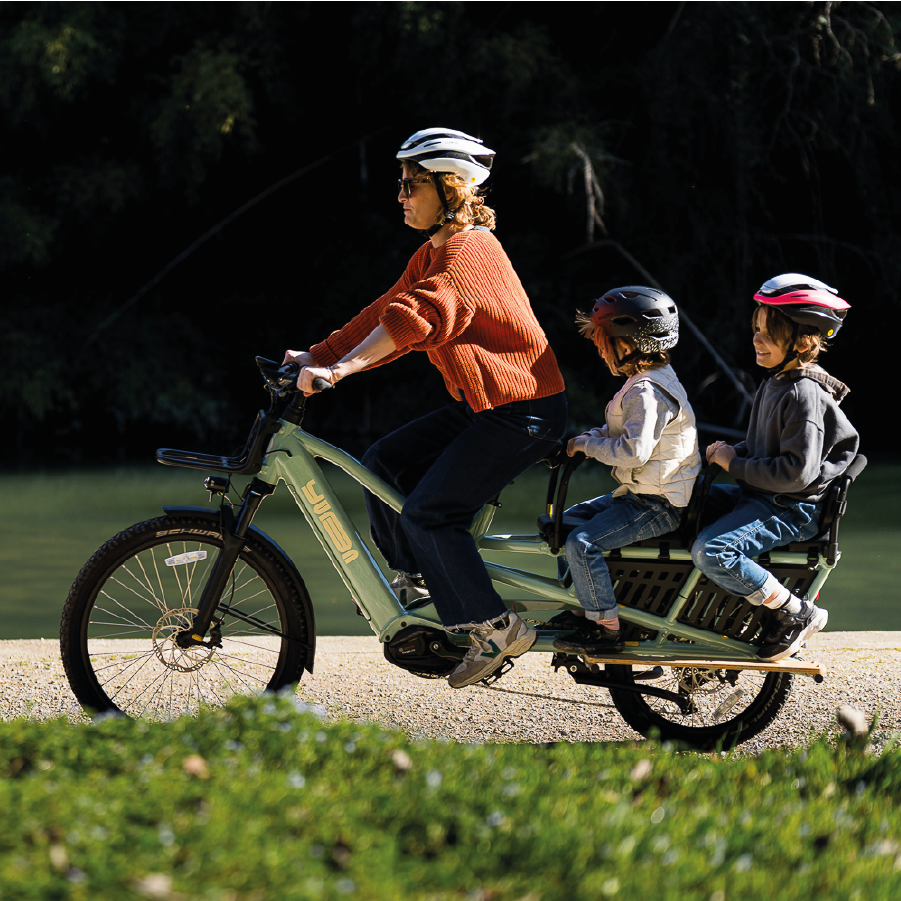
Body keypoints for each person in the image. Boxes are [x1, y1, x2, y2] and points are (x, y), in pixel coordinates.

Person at [283, 127, 567, 688]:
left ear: (453, 188)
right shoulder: (435, 250)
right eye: (402, 182)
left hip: (523, 413)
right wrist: (318, 353)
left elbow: (416, 319)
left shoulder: (466, 254)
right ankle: (416, 582)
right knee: (382, 462)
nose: (402, 194)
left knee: (432, 513)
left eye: (413, 184)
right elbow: (386, 308)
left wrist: (340, 371)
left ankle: (496, 626)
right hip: (483, 405)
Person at [691, 273, 859, 662]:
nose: (757, 339)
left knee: (713, 551)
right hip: (764, 495)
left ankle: (797, 612)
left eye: (769, 333)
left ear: (802, 341)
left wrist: (734, 463)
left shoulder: (803, 394)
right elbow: (765, 445)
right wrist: (732, 451)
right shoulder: (777, 382)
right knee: (679, 505)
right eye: (756, 329)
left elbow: (795, 473)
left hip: (791, 507)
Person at [550, 287, 702, 656]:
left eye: (605, 343)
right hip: (640, 496)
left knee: (581, 543)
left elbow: (634, 452)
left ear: (630, 344)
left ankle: (604, 626)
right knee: (564, 521)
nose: (600, 351)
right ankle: (583, 603)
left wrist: (588, 446)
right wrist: (588, 438)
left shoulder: (647, 392)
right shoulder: (648, 382)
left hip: (658, 504)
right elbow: (625, 432)